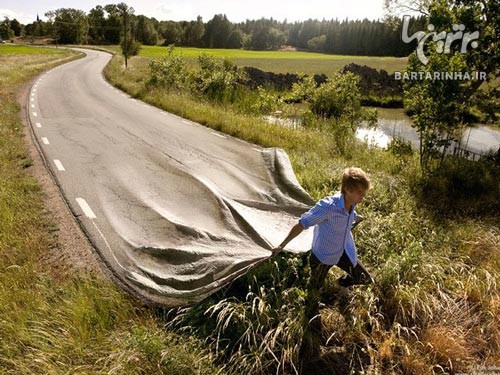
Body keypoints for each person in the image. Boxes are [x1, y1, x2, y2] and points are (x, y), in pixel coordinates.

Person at [272, 167, 373, 358]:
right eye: (360, 192)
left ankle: (341, 285)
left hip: (343, 252)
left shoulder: (351, 204)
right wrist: (281, 245)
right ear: (348, 189)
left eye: (364, 193)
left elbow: (345, 222)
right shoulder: (328, 206)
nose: (363, 196)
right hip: (322, 258)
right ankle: (308, 338)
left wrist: (354, 219)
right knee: (313, 295)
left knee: (365, 278)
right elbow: (302, 223)